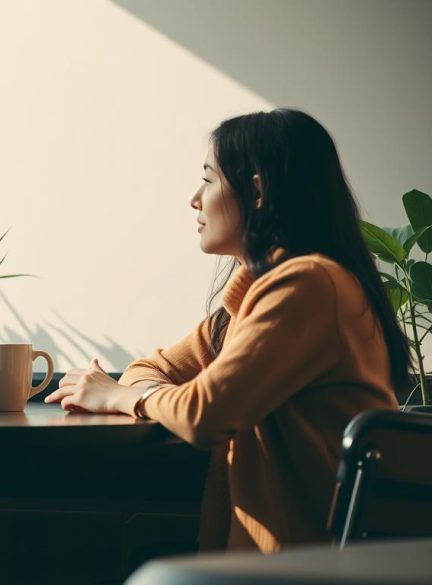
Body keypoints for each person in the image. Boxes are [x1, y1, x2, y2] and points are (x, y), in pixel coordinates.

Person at [45, 109, 407, 552]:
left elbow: (204, 415)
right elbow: (151, 366)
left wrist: (121, 396)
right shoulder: (248, 305)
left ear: (256, 192)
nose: (194, 199)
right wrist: (146, 391)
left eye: (209, 180)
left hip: (308, 566)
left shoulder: (308, 286)